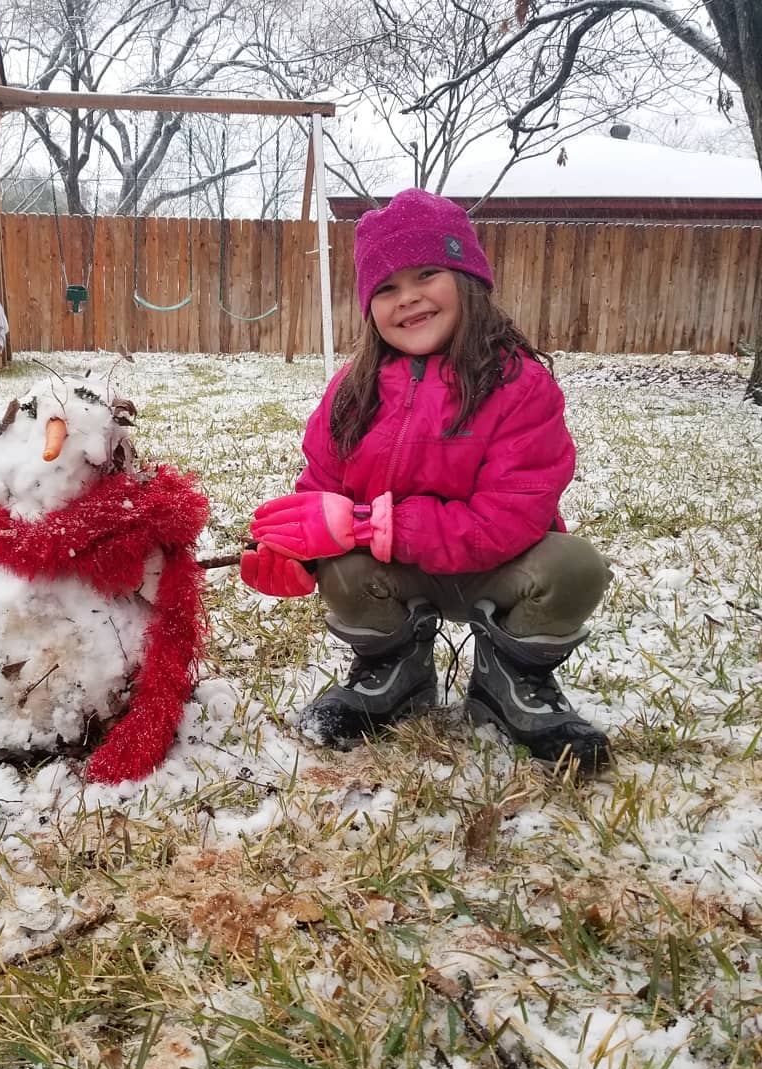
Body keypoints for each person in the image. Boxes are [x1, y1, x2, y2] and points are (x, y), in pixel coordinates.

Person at [240, 188, 612, 773]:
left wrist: (371, 523)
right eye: (386, 288)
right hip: (398, 576)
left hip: (501, 570)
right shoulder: (351, 391)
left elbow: (510, 517)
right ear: (369, 307)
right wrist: (293, 554)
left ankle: (511, 685)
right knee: (340, 560)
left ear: (467, 279)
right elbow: (320, 489)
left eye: (426, 274)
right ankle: (393, 675)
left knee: (574, 566)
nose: (407, 298)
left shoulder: (521, 385)